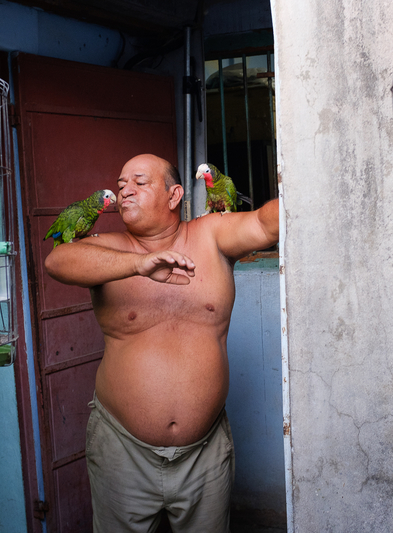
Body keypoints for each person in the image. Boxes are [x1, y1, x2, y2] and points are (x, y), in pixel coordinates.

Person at [44, 153, 279, 532]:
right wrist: (139, 264)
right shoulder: (111, 245)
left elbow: (264, 226)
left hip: (204, 453)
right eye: (121, 185)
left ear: (174, 196)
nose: (125, 191)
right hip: (122, 450)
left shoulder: (211, 234)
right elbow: (58, 263)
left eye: (139, 182)